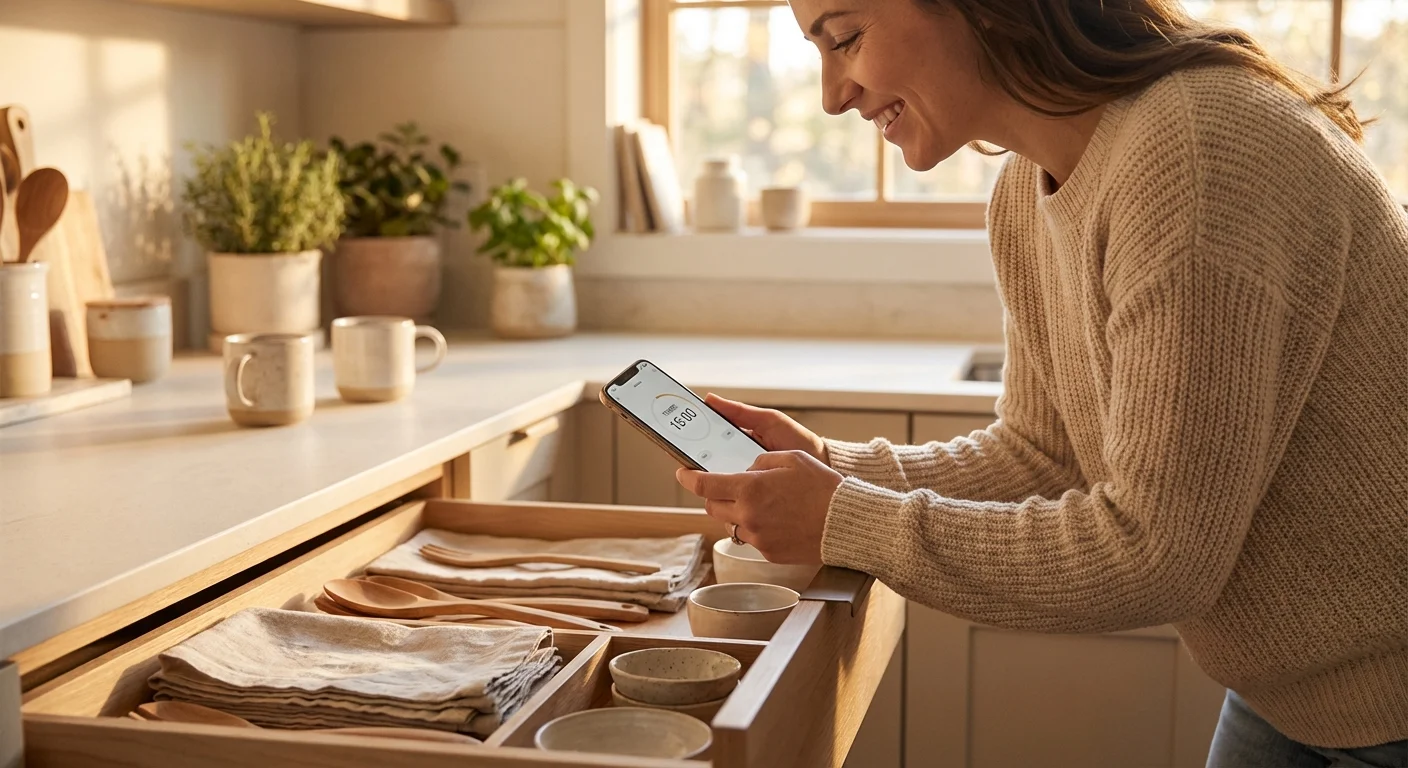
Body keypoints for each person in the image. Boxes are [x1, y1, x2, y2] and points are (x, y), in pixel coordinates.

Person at [674, 1, 1408, 765]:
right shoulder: (1026, 193)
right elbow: (1043, 454)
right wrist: (835, 467)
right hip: (1289, 694)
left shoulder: (1197, 153)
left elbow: (1155, 556)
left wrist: (847, 520)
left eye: (847, 39)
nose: (833, 94)